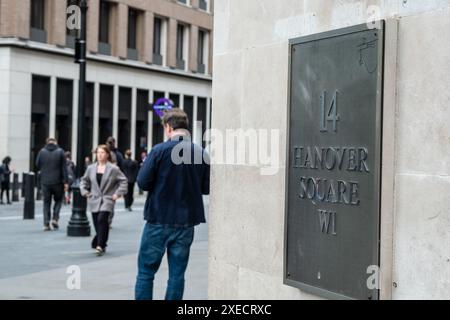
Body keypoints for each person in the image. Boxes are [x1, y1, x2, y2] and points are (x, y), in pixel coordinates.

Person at [135, 109, 210, 300]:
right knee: (177, 275)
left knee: (146, 272)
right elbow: (207, 187)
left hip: (158, 219)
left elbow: (143, 182)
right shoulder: (200, 153)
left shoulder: (159, 151)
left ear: (168, 127)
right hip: (186, 222)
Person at [80, 145, 128, 256]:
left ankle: (99, 245)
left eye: (102, 152)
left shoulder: (113, 169)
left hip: (108, 198)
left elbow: (123, 181)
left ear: (107, 154)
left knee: (102, 219)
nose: (100, 155)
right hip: (94, 199)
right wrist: (85, 192)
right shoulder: (91, 168)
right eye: (98, 152)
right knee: (98, 223)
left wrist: (117, 194)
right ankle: (102, 242)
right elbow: (84, 181)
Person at [35, 138, 68, 231]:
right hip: (58, 182)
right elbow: (64, 168)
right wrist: (66, 182)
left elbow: (37, 164)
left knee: (46, 203)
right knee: (58, 201)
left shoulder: (42, 152)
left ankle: (46, 223)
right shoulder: (61, 152)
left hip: (45, 182)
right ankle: (55, 218)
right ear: (55, 142)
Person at [105, 137, 124, 227]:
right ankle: (108, 220)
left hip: (102, 181)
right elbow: (122, 169)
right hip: (113, 182)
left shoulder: (102, 153)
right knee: (111, 202)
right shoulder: (118, 155)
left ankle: (104, 219)